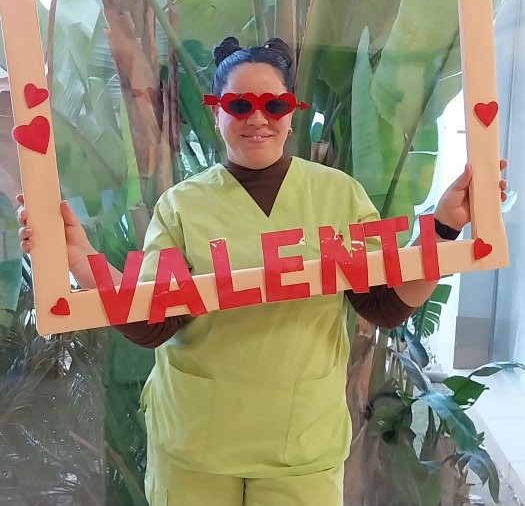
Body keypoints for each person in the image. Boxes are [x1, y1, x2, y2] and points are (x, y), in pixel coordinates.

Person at [17, 37, 507, 506]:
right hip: (197, 443)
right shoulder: (180, 207)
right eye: (238, 105)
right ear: (216, 113)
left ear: (291, 114)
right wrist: (80, 261)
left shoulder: (340, 196)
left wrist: (443, 228)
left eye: (274, 105)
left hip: (301, 443)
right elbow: (152, 325)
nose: (257, 119)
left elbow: (385, 305)